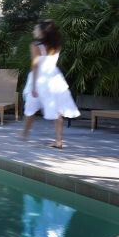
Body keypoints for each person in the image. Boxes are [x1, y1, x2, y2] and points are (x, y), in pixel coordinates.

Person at [21, 20, 80, 149]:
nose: (33, 31)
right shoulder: (56, 45)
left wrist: (34, 86)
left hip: (40, 79)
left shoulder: (35, 45)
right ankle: (59, 141)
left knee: (31, 107)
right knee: (57, 109)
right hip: (54, 78)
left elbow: (35, 66)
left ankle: (24, 134)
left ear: (42, 32)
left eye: (36, 29)